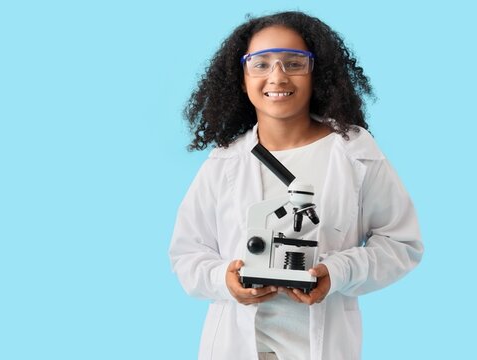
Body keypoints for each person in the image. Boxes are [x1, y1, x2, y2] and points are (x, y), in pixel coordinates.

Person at [168, 11, 423, 360]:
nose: (277, 76)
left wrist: (338, 272)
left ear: (316, 73)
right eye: (261, 64)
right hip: (235, 346)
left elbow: (402, 244)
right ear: (242, 78)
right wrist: (222, 280)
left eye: (294, 63)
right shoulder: (225, 161)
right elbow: (187, 254)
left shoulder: (354, 151)